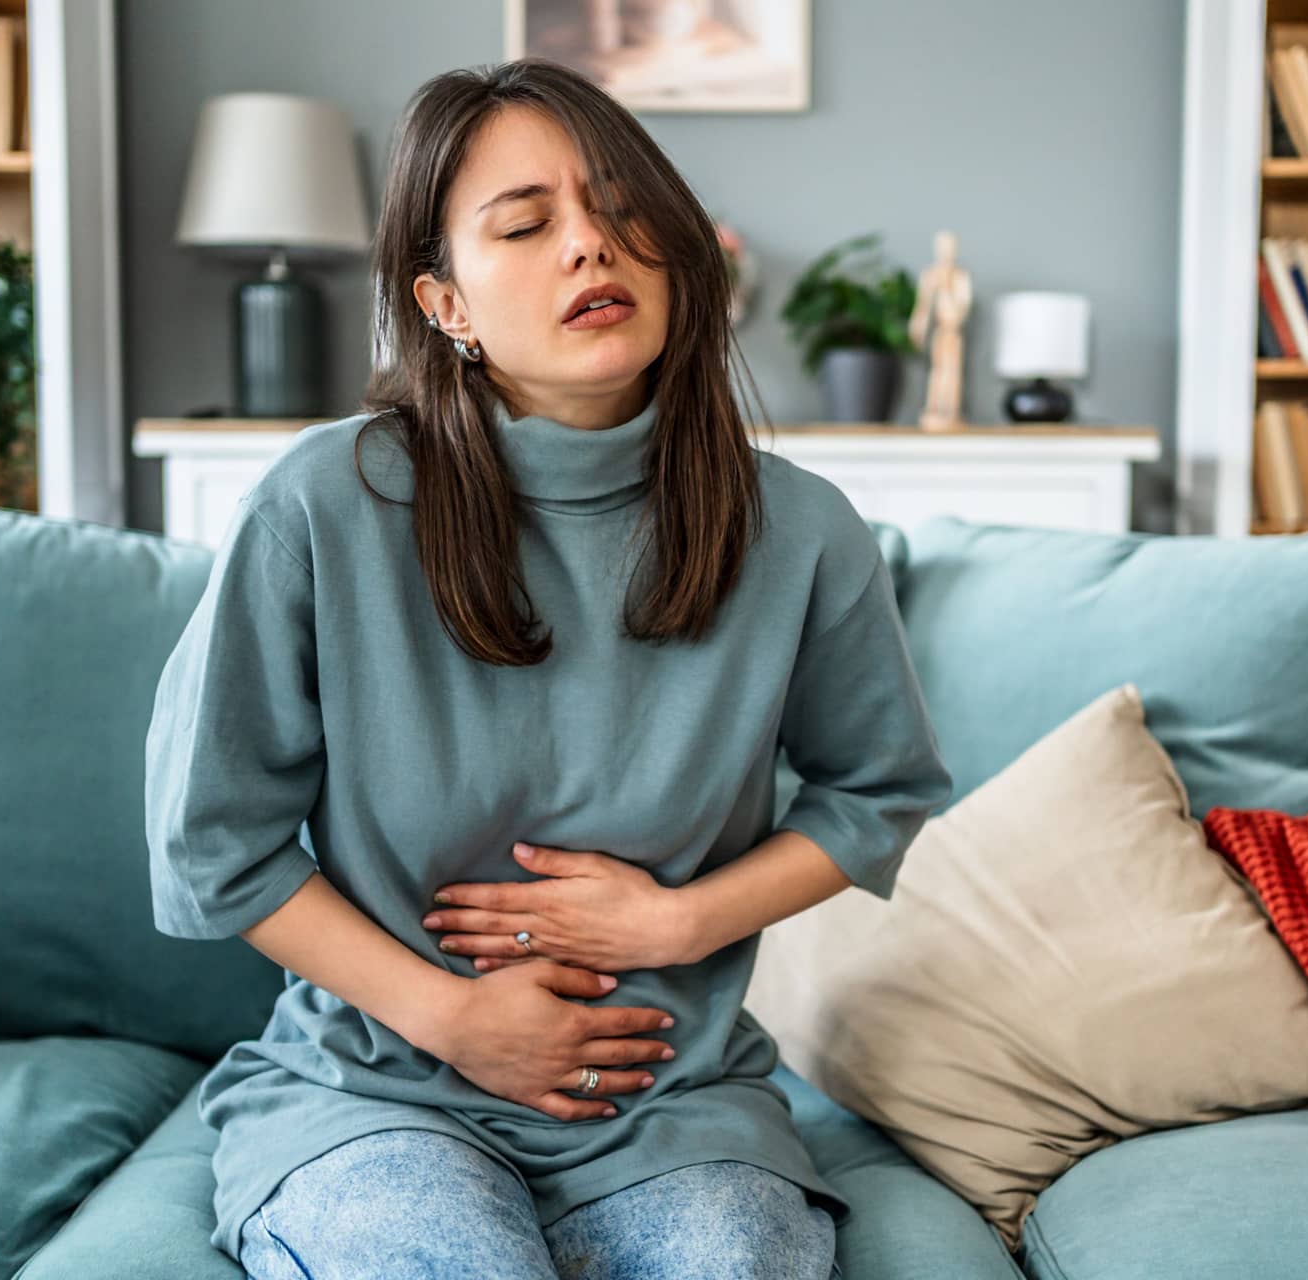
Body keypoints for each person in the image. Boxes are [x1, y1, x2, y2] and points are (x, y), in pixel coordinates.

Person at [144, 56, 951, 1280]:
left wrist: (680, 918)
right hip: (375, 1091)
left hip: (673, 1106)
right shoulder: (321, 503)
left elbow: (878, 789)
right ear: (444, 303)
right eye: (523, 225)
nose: (588, 244)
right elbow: (212, 840)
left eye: (620, 209)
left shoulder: (798, 530)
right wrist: (455, 1017)